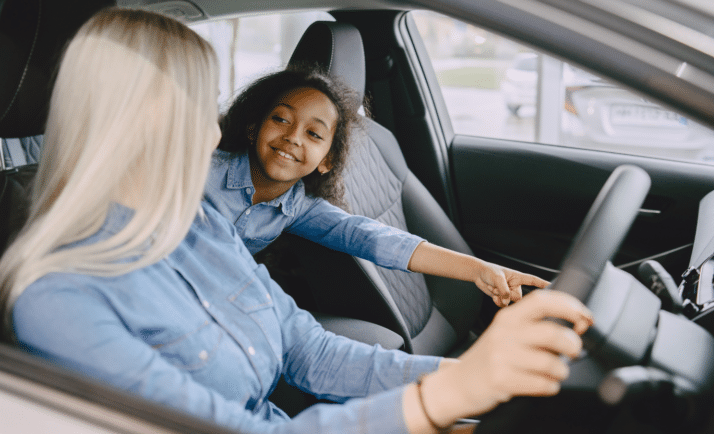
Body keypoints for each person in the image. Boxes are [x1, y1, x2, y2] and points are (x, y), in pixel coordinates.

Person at [0, 7, 594, 434]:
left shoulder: (203, 226)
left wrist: (476, 376)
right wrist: (448, 397)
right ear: (131, 123)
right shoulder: (60, 301)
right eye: (197, 110)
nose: (213, 131)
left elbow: (308, 350)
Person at [206, 66, 548, 307]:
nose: (292, 137)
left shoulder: (298, 207)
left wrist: (480, 269)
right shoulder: (202, 167)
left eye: (314, 134)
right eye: (280, 119)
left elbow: (377, 239)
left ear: (326, 161)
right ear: (253, 128)